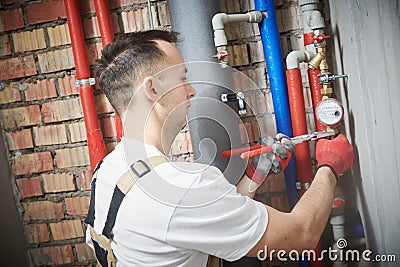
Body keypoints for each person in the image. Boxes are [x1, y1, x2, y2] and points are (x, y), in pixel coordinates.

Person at [85, 30, 354, 267]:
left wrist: (257, 173)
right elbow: (301, 235)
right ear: (152, 89)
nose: (191, 91)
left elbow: (203, 217)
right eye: (182, 79)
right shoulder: (181, 190)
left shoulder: (109, 171)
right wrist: (329, 166)